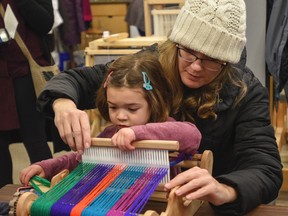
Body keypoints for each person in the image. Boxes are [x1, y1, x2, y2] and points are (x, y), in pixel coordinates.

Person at [35, 0, 283, 215]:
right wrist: (63, 102)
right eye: (188, 52)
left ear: (227, 62)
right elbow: (79, 80)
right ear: (176, 43)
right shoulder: (147, 68)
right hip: (131, 199)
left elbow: (266, 169)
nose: (196, 66)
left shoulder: (246, 92)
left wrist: (225, 189)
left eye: (211, 60)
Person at [20, 52, 201, 186]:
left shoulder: (166, 129)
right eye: (113, 107)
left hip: (162, 205)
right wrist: (47, 167)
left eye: (132, 108)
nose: (120, 116)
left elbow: (193, 136)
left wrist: (136, 133)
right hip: (116, 204)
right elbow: (80, 159)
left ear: (154, 102)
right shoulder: (110, 133)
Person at [0, 0, 66, 188]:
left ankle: (48, 194)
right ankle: (4, 201)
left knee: (34, 136)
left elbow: (45, 23)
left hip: (28, 72)